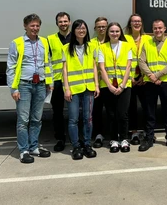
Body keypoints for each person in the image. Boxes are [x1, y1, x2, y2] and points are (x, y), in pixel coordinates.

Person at [6, 13, 53, 164]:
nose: (35, 28)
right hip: (24, 85)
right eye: (32, 25)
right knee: (23, 119)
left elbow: (48, 63)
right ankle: (24, 150)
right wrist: (14, 89)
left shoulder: (44, 42)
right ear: (25, 26)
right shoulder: (17, 43)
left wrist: (49, 82)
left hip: (40, 85)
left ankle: (34, 147)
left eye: (37, 25)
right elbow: (11, 67)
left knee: (36, 119)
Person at [138, 19, 167, 151]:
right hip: (150, 82)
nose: (158, 30)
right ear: (152, 29)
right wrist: (151, 76)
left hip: (165, 82)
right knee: (150, 111)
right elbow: (141, 62)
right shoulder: (146, 43)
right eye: (155, 28)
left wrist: (157, 75)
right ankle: (149, 138)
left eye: (160, 28)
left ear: (165, 29)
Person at [62, 19, 99, 160]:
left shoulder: (91, 47)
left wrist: (96, 85)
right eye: (78, 28)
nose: (81, 31)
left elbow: (94, 67)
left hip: (89, 88)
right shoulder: (66, 48)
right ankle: (76, 146)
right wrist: (66, 88)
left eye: (83, 28)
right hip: (74, 89)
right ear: (74, 31)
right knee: (73, 119)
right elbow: (64, 70)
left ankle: (87, 145)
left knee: (88, 118)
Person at [98, 22, 133, 153]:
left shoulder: (127, 46)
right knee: (111, 114)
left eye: (117, 31)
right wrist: (109, 86)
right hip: (108, 86)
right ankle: (113, 140)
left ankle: (124, 139)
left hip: (124, 86)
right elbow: (101, 68)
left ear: (120, 33)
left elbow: (128, 67)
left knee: (122, 114)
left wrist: (122, 86)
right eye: (112, 31)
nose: (114, 34)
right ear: (108, 33)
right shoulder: (102, 47)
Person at [124, 14, 153, 145]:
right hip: (130, 78)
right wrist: (130, 78)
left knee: (148, 106)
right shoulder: (124, 39)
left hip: (144, 78)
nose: (136, 24)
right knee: (131, 107)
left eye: (139, 21)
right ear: (130, 24)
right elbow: (122, 60)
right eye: (134, 21)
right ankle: (133, 132)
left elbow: (151, 59)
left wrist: (145, 76)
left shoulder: (148, 38)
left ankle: (148, 132)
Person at [47, 12, 71, 152]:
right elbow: (47, 61)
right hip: (56, 81)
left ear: (69, 22)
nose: (63, 24)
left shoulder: (75, 38)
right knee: (57, 112)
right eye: (60, 22)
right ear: (57, 23)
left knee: (75, 113)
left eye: (65, 21)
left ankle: (76, 138)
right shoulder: (50, 40)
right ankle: (60, 138)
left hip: (73, 81)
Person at [90, 17, 108, 148]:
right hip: (96, 82)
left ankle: (114, 133)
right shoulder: (90, 43)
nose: (101, 29)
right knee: (96, 110)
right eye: (99, 26)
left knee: (112, 111)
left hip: (110, 83)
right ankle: (98, 135)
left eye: (103, 26)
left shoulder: (113, 41)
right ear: (95, 29)